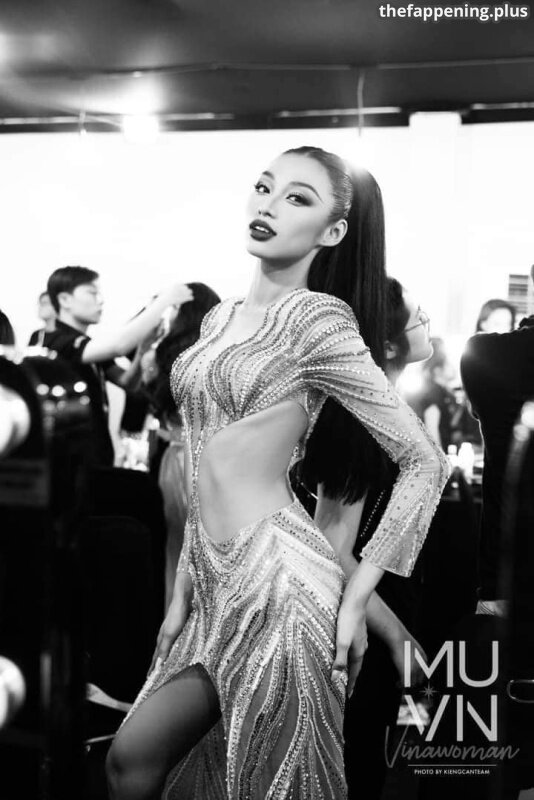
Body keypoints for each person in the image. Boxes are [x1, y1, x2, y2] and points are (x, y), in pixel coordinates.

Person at [106, 146, 449, 800]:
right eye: (264, 188)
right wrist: (182, 591)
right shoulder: (219, 317)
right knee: (132, 761)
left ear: (333, 231)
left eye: (298, 198)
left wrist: (356, 600)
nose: (268, 205)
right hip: (213, 584)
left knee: (266, 781)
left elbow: (423, 461)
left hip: (279, 586)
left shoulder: (317, 320)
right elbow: (203, 455)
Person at [310, 277, 434, 798]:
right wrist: (397, 637)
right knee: (357, 770)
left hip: (386, 607)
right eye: (417, 315)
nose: (426, 319)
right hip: (362, 621)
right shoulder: (356, 417)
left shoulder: (389, 408)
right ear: (386, 344)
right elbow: (332, 544)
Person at [45, 266, 192, 467]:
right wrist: (164, 301)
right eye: (92, 293)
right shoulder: (56, 341)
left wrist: (142, 350)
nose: (100, 300)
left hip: (97, 450)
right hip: (70, 456)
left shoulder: (88, 345)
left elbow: (127, 382)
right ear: (64, 300)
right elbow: (119, 346)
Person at [141, 282, 221, 608]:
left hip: (175, 457)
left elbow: (144, 393)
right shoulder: (218, 357)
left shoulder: (161, 358)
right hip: (216, 461)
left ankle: (174, 623)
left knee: (177, 549)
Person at [409, 337, 457, 451]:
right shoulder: (434, 392)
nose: (452, 367)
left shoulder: (435, 389)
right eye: (447, 363)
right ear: (437, 369)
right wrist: (441, 457)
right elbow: (432, 428)